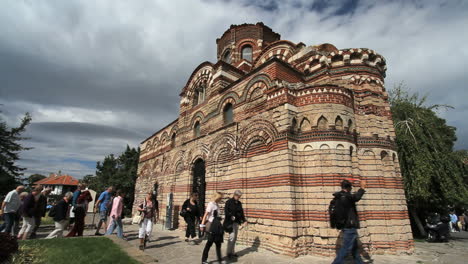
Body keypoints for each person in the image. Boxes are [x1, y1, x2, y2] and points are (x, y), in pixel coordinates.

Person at [332, 179, 366, 264]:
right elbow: (356, 197)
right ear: (348, 188)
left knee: (354, 249)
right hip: (349, 226)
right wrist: (362, 187)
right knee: (345, 248)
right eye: (350, 188)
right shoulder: (346, 197)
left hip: (344, 225)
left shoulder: (338, 196)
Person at [200, 192, 225, 264]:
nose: (221, 199)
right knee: (209, 243)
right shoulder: (211, 204)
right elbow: (205, 215)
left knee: (218, 243)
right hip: (212, 226)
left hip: (217, 226)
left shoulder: (217, 205)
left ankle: (220, 260)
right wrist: (202, 225)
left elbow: (216, 216)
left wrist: (221, 218)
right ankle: (204, 260)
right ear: (217, 197)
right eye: (220, 198)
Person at [224, 190, 248, 259]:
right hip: (230, 222)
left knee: (235, 238)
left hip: (237, 222)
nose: (239, 198)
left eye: (240, 197)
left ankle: (233, 252)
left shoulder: (239, 203)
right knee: (232, 237)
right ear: (235, 195)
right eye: (238, 196)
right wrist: (231, 216)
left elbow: (241, 212)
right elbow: (226, 212)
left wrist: (244, 220)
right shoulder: (228, 202)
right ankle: (228, 253)